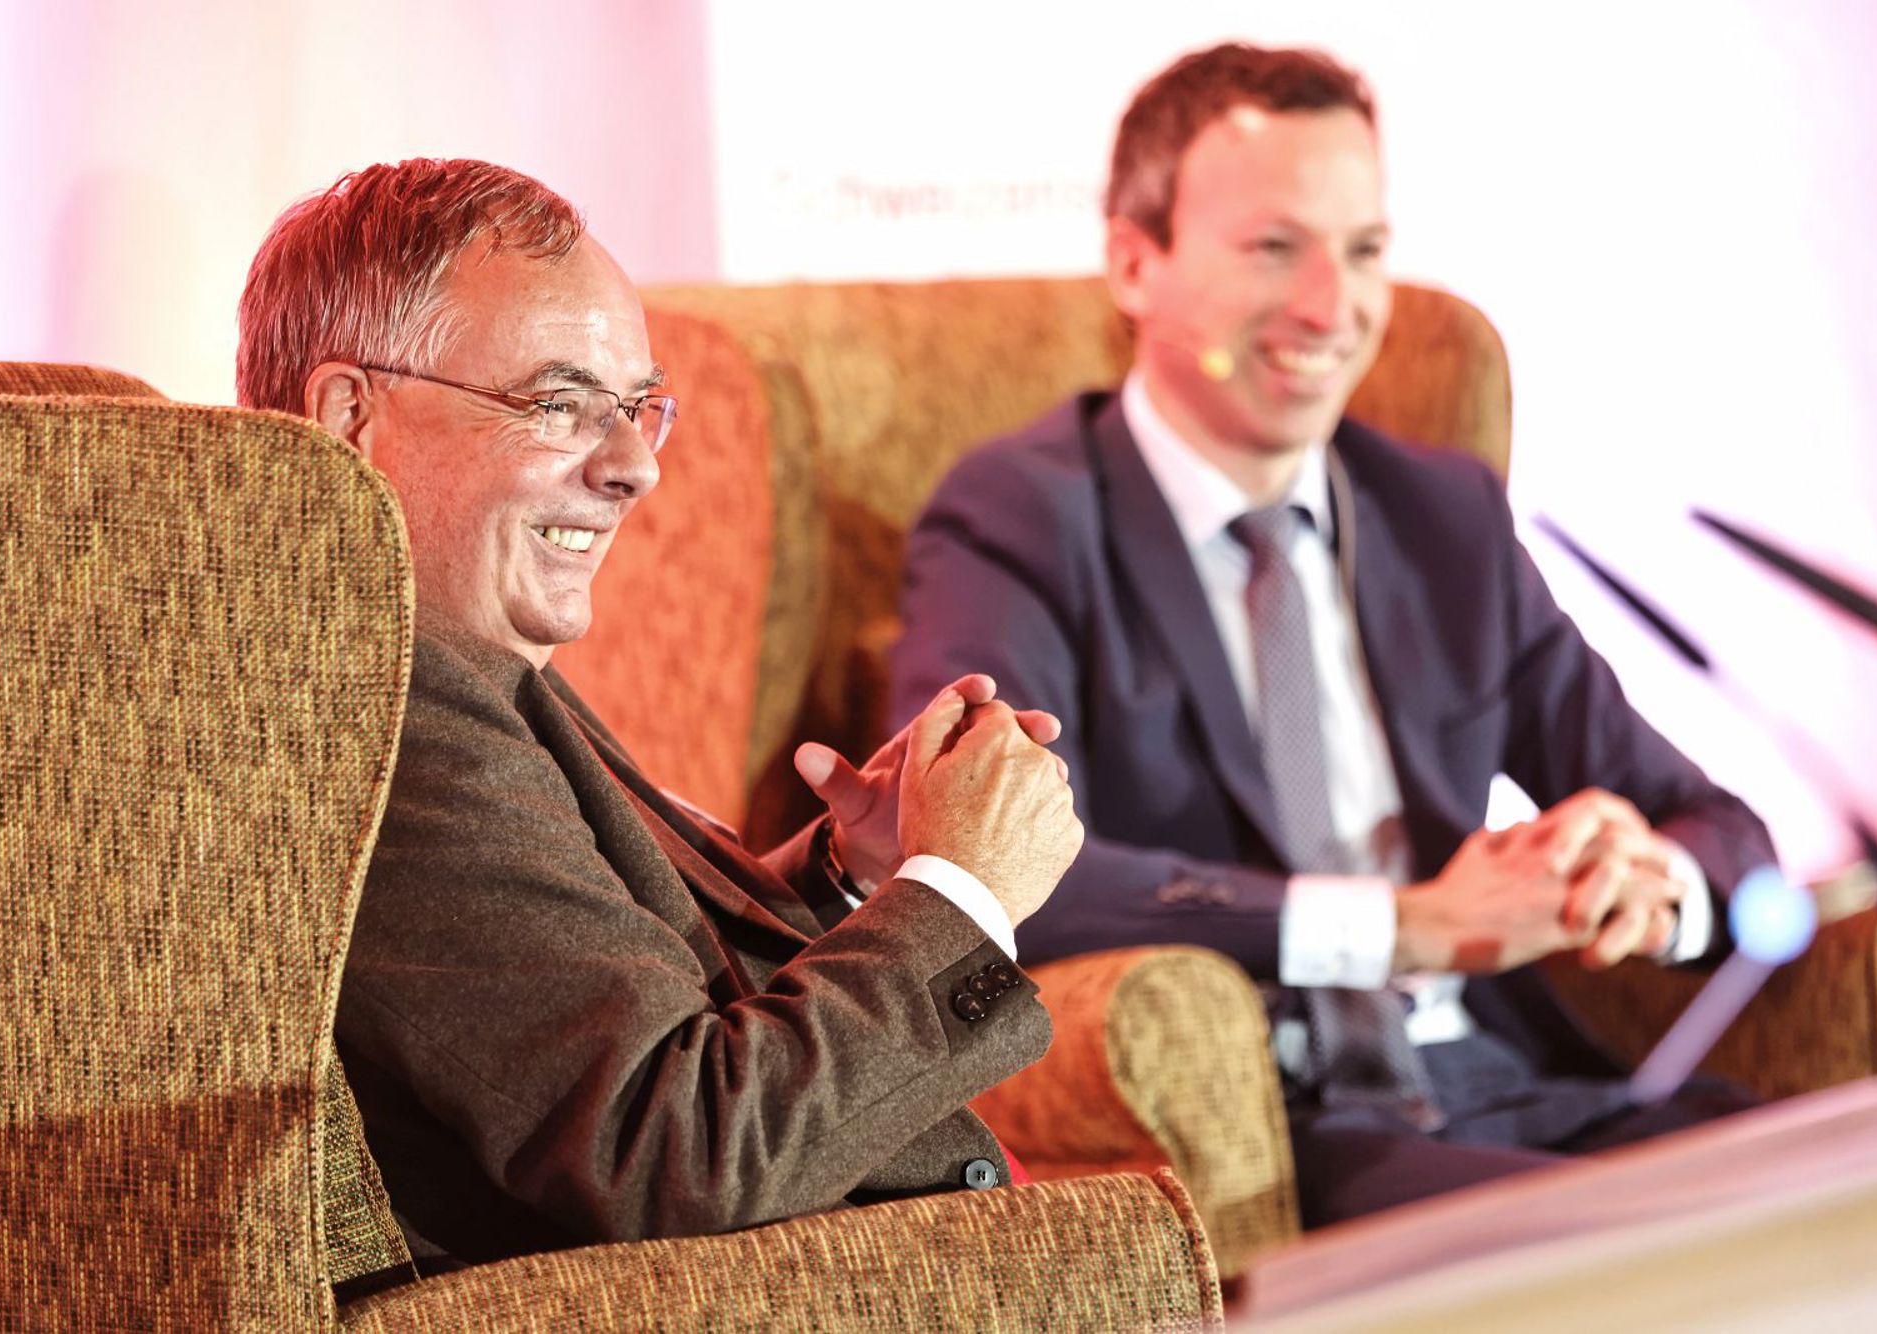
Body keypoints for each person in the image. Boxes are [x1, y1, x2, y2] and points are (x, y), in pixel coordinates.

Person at [890, 43, 1775, 1227]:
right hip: (1270, 1121)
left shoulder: (1441, 516)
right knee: (1652, 1243)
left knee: (1852, 1187)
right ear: (1134, 262)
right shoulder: (1021, 517)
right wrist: (1405, 925)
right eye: (1273, 248)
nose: (1331, 306)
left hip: (1503, 1087)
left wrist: (1651, 879)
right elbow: (981, 866)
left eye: (1362, 251)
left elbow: (1723, 832)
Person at [236, 158, 1083, 1270]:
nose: (636, 466)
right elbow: (682, 1151)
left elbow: (611, 1004)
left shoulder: (444, 658)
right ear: (350, 416)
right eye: (557, 403)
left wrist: (852, 877)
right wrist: (959, 890)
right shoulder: (384, 715)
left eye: (638, 407)